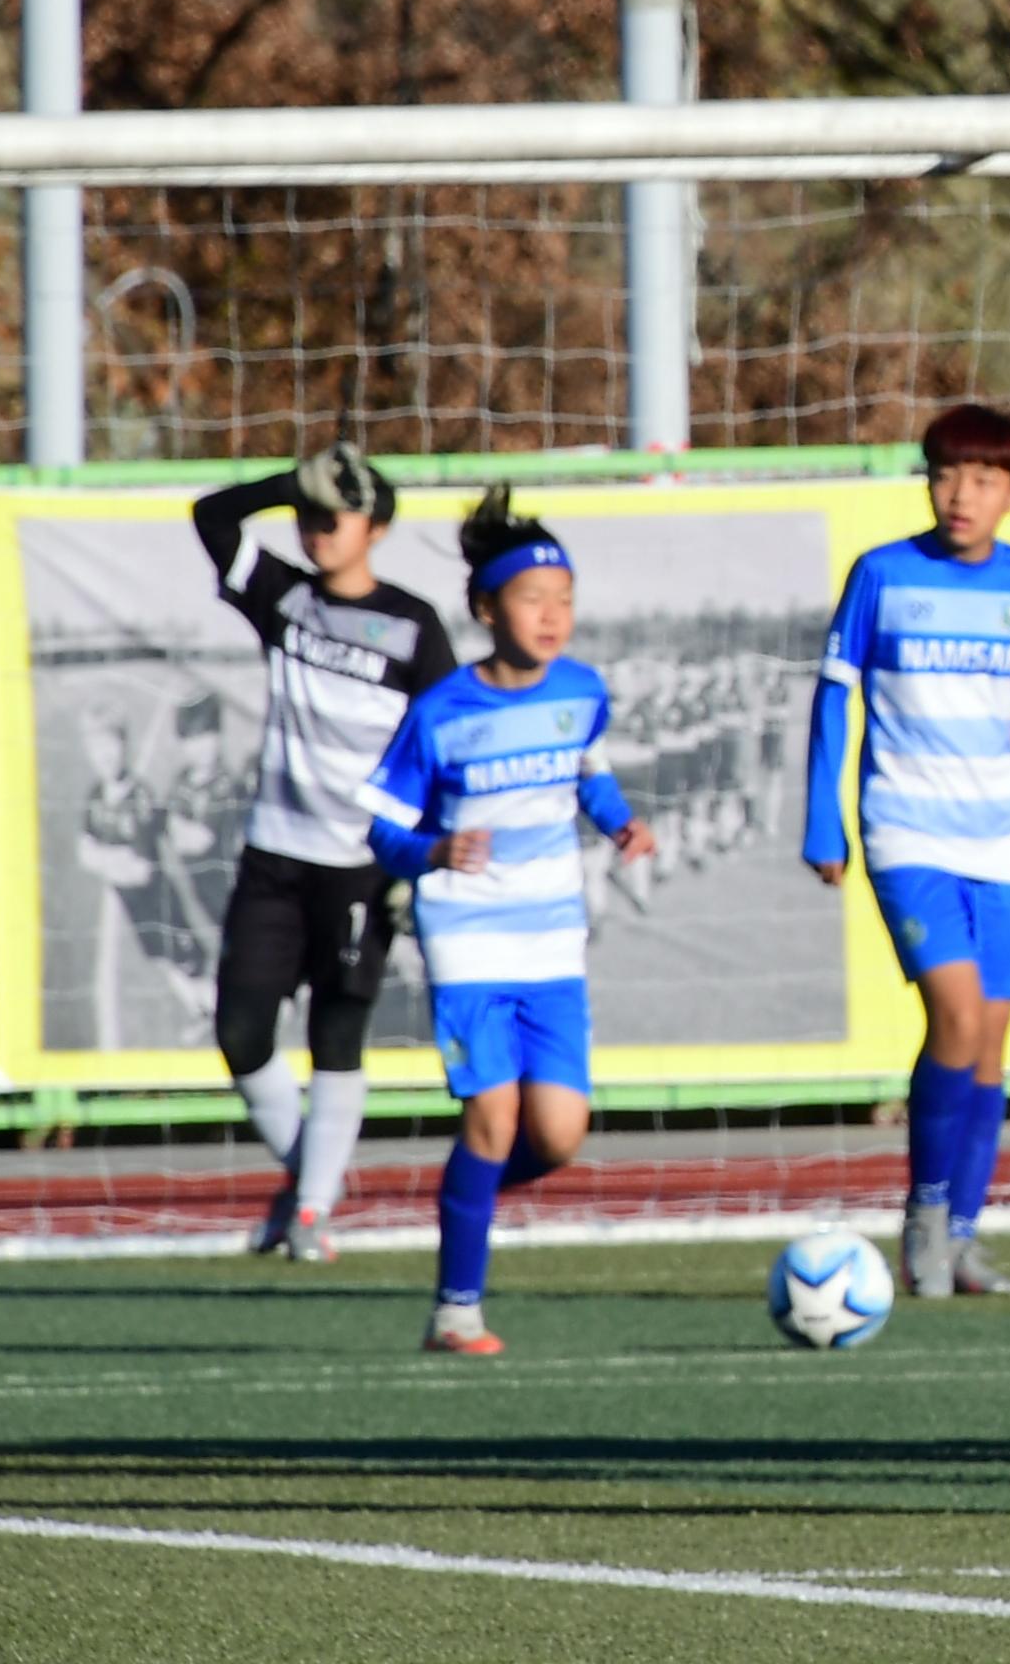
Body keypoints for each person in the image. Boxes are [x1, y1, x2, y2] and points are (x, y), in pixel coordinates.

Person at [804, 401, 1010, 1300]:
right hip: (906, 833)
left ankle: (963, 1237)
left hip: (997, 842)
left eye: (981, 478)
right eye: (944, 474)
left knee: (994, 1043)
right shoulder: (883, 576)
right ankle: (924, 1218)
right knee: (959, 1021)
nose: (959, 494)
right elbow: (832, 701)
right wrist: (826, 822)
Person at [364, 489, 656, 1357]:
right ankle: (458, 1307)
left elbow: (589, 776)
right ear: (486, 609)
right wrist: (435, 852)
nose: (553, 615)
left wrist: (619, 821)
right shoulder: (441, 712)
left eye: (564, 599)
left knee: (558, 1135)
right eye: (533, 600)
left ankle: (467, 1200)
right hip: (468, 942)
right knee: (490, 1121)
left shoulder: (581, 691)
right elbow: (383, 832)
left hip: (553, 942)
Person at [190, 444, 456, 1262]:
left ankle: (308, 1216)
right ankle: (314, 1184)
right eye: (306, 515)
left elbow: (444, 746)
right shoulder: (283, 596)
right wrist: (287, 483)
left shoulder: (413, 625)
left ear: (373, 528)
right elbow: (211, 516)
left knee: (337, 1037)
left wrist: (415, 858)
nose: (313, 530)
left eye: (330, 516)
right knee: (241, 1032)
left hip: (360, 863)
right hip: (275, 853)